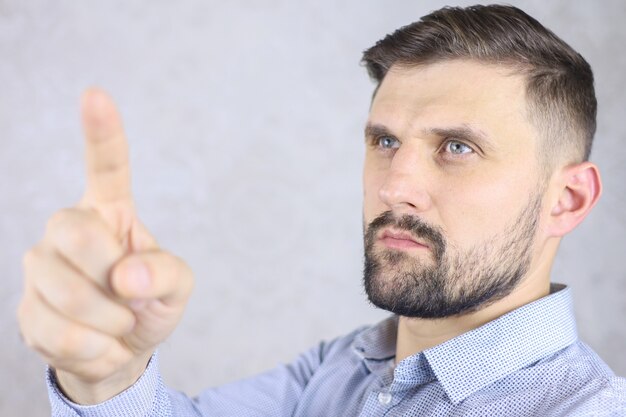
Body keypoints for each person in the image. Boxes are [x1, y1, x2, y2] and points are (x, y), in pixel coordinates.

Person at [17, 4, 626, 416]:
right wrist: (109, 378)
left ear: (566, 200)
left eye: (457, 148)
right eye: (385, 141)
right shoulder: (340, 368)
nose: (395, 188)